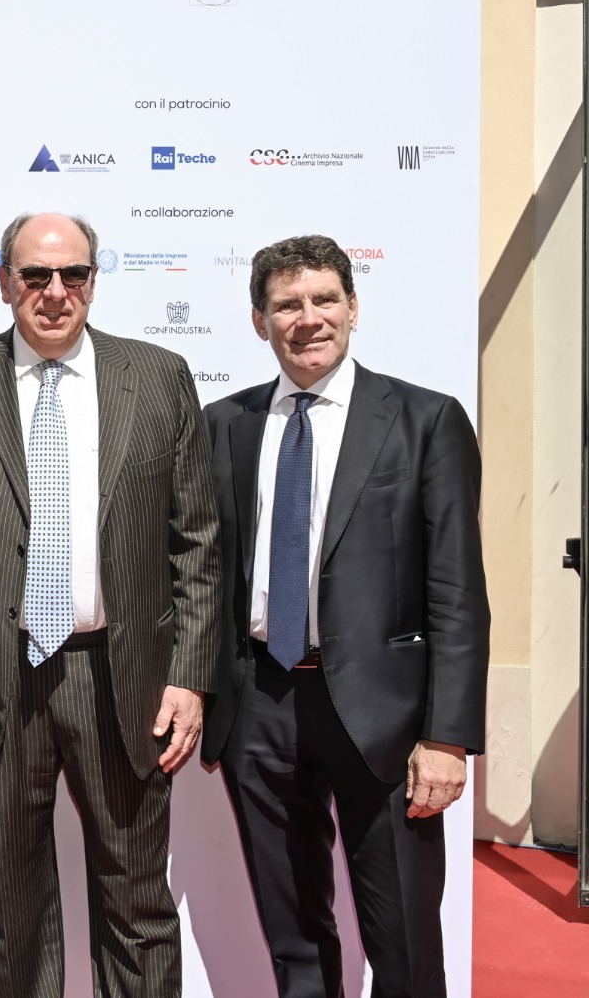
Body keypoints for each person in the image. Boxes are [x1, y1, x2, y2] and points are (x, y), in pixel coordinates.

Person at [0, 212, 220, 997]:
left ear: (93, 281)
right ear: (4, 281)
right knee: (12, 902)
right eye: (35, 275)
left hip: (124, 675)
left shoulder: (159, 376)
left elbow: (197, 541)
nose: (54, 292)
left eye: (72, 274)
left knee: (137, 896)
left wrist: (189, 676)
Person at [200, 234, 488, 998]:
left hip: (386, 717)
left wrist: (447, 736)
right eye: (287, 305)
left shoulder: (425, 420)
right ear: (260, 321)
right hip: (260, 704)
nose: (308, 318)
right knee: (292, 936)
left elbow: (458, 590)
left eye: (324, 299)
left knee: (404, 943)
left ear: (353, 308)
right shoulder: (223, 423)